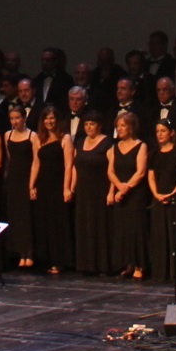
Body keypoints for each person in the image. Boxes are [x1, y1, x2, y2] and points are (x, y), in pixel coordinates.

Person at [147, 120, 176, 283]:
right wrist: (157, 194)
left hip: (175, 197)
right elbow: (151, 176)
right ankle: (161, 271)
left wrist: (172, 193)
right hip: (159, 197)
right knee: (160, 233)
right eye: (158, 131)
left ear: (171, 133)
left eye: (163, 131)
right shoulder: (154, 153)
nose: (160, 134)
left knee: (175, 233)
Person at [108, 113, 152, 279]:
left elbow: (140, 172)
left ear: (131, 127)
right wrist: (118, 187)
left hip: (135, 194)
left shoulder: (141, 146)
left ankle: (140, 265)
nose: (119, 129)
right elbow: (110, 171)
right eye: (118, 126)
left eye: (123, 125)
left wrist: (124, 189)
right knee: (123, 229)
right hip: (121, 193)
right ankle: (128, 263)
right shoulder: (114, 147)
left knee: (136, 228)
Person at [70, 113, 114, 275]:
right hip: (83, 191)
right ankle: (85, 264)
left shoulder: (107, 143)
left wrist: (111, 192)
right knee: (84, 225)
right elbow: (75, 167)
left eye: (92, 123)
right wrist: (72, 188)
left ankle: (102, 265)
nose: (89, 126)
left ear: (99, 125)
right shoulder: (80, 142)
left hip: (100, 190)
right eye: (86, 123)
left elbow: (112, 169)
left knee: (99, 226)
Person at [32, 105, 74, 273]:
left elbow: (69, 164)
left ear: (57, 120)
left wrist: (66, 188)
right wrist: (31, 185)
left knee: (58, 222)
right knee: (45, 221)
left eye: (52, 118)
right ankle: (46, 259)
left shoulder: (65, 138)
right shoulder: (37, 139)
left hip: (58, 184)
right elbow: (36, 163)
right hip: (43, 184)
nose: (49, 121)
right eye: (46, 118)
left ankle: (59, 261)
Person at [3, 107, 38, 268]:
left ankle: (29, 253)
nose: (15, 121)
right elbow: (10, 158)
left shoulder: (32, 136)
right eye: (12, 118)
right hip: (13, 180)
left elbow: (36, 162)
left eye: (17, 118)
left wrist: (32, 184)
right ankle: (19, 254)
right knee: (15, 216)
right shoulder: (7, 135)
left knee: (27, 216)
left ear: (24, 118)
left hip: (26, 178)